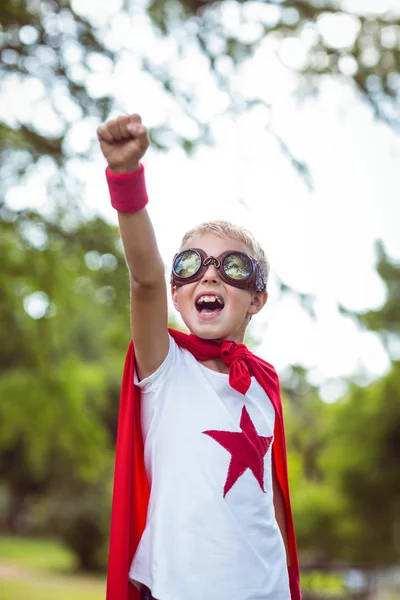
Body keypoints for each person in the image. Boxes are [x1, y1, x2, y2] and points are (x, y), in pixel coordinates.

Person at [97, 114, 301, 600]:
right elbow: (144, 277)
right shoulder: (165, 366)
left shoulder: (264, 384)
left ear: (257, 299)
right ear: (177, 288)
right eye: (191, 264)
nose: (208, 277)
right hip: (176, 587)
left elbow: (269, 501)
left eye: (232, 267)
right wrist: (126, 178)